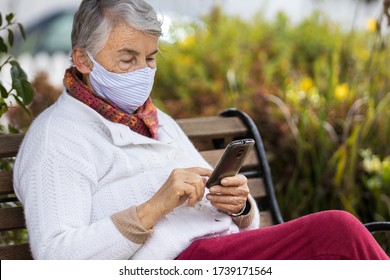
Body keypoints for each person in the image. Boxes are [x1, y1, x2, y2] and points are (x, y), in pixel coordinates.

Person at [13, 0, 389, 260]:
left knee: (337, 243)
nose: (143, 72)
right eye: (128, 58)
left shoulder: (153, 120)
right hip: (182, 262)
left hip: (224, 253)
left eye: (150, 59)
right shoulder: (57, 138)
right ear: (83, 59)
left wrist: (240, 206)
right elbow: (58, 257)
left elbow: (231, 211)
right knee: (336, 233)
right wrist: (153, 208)